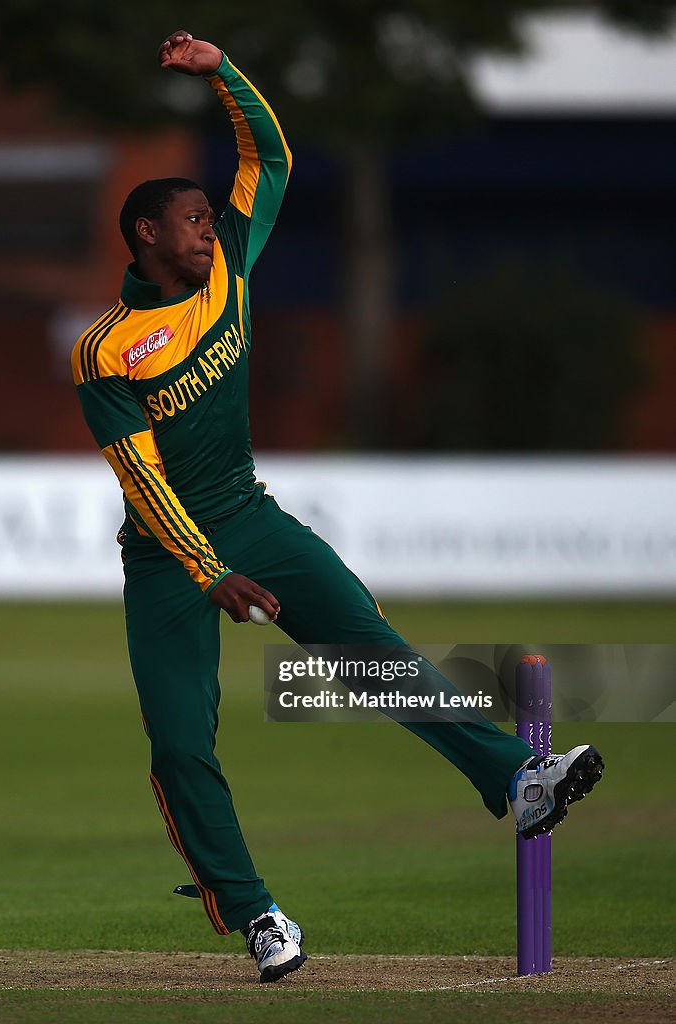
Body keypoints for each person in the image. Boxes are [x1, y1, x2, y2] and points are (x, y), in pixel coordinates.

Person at [71, 31, 604, 983]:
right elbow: (141, 480)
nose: (208, 227)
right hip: (166, 556)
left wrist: (223, 73)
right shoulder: (106, 350)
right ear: (147, 236)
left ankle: (515, 781)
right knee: (181, 745)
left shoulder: (231, 263)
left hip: (251, 517)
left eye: (208, 216)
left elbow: (267, 156)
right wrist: (208, 571)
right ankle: (257, 913)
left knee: (364, 644)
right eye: (190, 220)